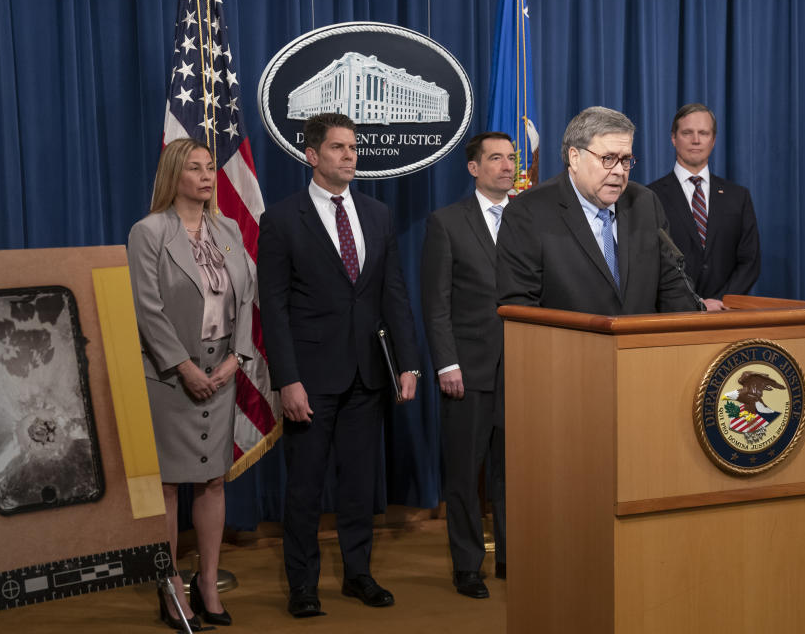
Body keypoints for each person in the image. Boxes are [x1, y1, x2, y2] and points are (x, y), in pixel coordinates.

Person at [257, 113, 421, 618]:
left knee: (358, 484)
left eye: (353, 147)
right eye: (338, 148)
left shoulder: (377, 214)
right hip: (309, 377)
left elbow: (392, 293)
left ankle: (358, 575)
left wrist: (408, 362)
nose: (350, 155)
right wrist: (288, 379)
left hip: (367, 374)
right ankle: (303, 585)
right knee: (305, 487)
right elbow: (274, 307)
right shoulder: (282, 219)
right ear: (312, 156)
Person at [128, 138, 253, 630]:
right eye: (195, 168)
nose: (206, 176)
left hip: (221, 370)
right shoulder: (149, 232)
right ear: (173, 175)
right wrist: (183, 367)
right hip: (169, 376)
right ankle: (170, 585)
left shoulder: (227, 229)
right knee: (169, 484)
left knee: (213, 479)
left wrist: (237, 359)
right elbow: (147, 308)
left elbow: (246, 298)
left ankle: (207, 582)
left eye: (209, 168)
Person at [420, 132, 513, 599]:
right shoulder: (447, 222)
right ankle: (467, 565)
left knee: (514, 472)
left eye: (511, 158)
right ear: (474, 167)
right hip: (468, 368)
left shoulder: (532, 219)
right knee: (464, 472)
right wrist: (446, 364)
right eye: (495, 158)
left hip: (523, 368)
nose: (507, 165)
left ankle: (513, 560)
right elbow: (435, 304)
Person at [496, 106, 697, 314]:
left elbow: (673, 287)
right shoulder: (528, 213)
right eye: (608, 159)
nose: (619, 171)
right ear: (574, 158)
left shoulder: (645, 203)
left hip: (641, 345)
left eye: (625, 160)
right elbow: (519, 310)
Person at [647, 103, 761, 311]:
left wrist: (721, 301)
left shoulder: (738, 197)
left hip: (725, 314)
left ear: (714, 139)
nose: (696, 140)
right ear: (674, 138)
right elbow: (649, 263)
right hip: (672, 316)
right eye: (687, 133)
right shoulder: (650, 197)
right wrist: (694, 303)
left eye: (703, 133)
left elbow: (749, 261)